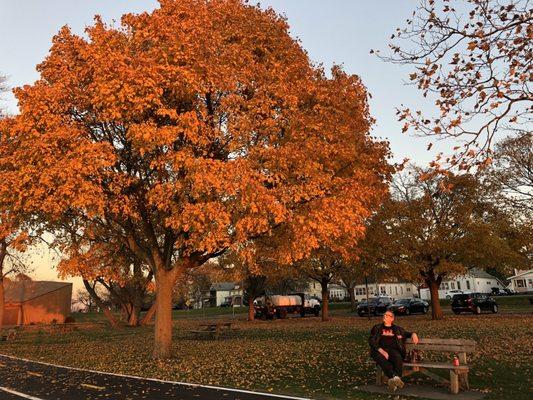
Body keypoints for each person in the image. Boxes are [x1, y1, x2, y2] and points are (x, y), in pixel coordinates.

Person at [369, 310, 419, 391]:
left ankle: (394, 380)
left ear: (392, 319)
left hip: (393, 350)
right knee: (381, 358)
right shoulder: (377, 328)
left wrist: (414, 334)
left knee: (398, 358)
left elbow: (407, 334)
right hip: (379, 350)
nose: (385, 316)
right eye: (384, 314)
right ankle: (395, 377)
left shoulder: (397, 329)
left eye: (388, 315)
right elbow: (371, 341)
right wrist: (381, 351)